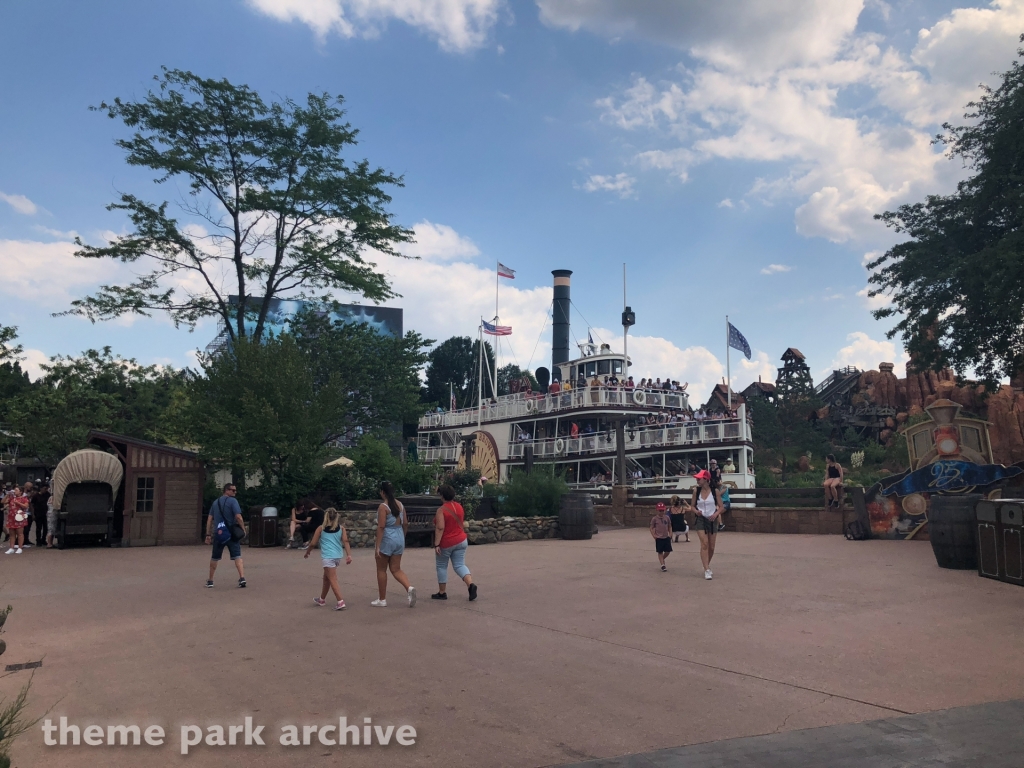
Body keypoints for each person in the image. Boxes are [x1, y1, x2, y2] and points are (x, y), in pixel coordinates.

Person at [373, 481, 416, 607]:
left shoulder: (383, 507)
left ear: (382, 492)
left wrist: (378, 547)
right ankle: (409, 588)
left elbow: (381, 527)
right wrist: (403, 536)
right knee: (396, 569)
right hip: (399, 536)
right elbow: (406, 523)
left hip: (388, 537)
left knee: (381, 569)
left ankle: (382, 599)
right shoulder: (400, 505)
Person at [432, 484, 477, 601]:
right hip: (461, 540)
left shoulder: (441, 510)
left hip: (447, 541)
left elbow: (440, 527)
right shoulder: (459, 506)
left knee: (441, 566)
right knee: (460, 565)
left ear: (442, 496)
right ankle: (470, 585)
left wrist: (436, 544)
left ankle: (442, 592)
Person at [305, 506, 352, 610]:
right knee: (326, 577)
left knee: (332, 579)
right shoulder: (341, 528)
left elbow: (313, 543)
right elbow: (346, 541)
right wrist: (349, 555)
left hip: (328, 557)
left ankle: (340, 601)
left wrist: (307, 552)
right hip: (337, 557)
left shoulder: (320, 528)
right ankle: (322, 599)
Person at [204, 483, 246, 588]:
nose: (235, 492)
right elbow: (238, 517)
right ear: (226, 490)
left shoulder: (215, 503)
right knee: (237, 556)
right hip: (231, 533)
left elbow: (209, 519)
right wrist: (243, 529)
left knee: (215, 557)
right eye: (233, 490)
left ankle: (210, 580)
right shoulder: (233, 501)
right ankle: (242, 578)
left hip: (219, 533)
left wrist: (208, 534)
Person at [691, 470, 724, 580]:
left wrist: (715, 514)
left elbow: (721, 507)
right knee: (704, 544)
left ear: (706, 479)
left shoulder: (715, 492)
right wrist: (696, 512)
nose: (697, 480)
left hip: (711, 519)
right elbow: (692, 506)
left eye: (699, 479)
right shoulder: (696, 491)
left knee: (711, 546)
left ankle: (707, 565)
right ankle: (706, 569)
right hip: (701, 519)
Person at [4, 485, 29, 554]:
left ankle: (20, 547)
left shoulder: (24, 498)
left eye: (16, 490)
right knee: (12, 533)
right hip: (11, 517)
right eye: (14, 490)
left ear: (20, 492)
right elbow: (3, 502)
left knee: (20, 533)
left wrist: (18, 503)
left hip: (19, 517)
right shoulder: (11, 498)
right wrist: (7, 495)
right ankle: (11, 548)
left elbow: (26, 506)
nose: (15, 491)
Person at [650, 502, 672, 571]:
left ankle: (662, 559)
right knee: (660, 551)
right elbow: (651, 527)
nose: (661, 512)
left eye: (662, 510)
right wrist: (654, 535)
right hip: (659, 537)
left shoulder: (667, 518)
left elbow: (669, 526)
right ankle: (662, 565)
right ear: (657, 510)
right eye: (660, 510)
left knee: (668, 551)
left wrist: (670, 533)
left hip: (666, 536)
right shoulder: (654, 519)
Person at [30, 482, 50, 547]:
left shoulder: (47, 495)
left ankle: (43, 539)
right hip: (38, 513)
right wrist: (33, 514)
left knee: (46, 528)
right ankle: (38, 540)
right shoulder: (36, 496)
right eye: (45, 488)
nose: (46, 490)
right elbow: (32, 504)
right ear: (41, 488)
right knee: (39, 528)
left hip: (45, 513)